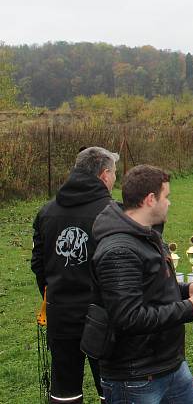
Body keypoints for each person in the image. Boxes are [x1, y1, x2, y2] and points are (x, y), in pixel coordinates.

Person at [91, 165, 193, 404]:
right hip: (135, 376)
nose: (169, 203)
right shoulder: (119, 251)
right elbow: (128, 317)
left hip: (170, 366)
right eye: (166, 197)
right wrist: (189, 308)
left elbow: (150, 288)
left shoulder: (146, 235)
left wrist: (184, 290)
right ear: (150, 199)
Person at [31, 146, 118, 404]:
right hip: (103, 316)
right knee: (112, 388)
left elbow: (39, 265)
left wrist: (58, 295)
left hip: (61, 313)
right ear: (104, 175)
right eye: (114, 173)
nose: (115, 178)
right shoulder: (113, 213)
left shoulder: (46, 212)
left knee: (64, 391)